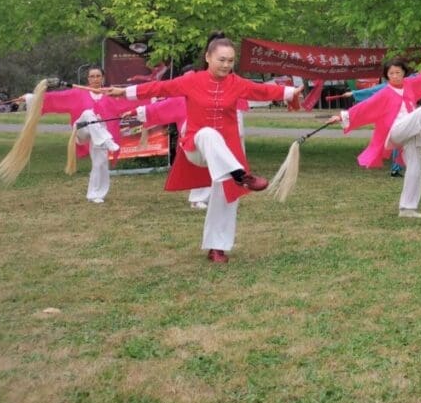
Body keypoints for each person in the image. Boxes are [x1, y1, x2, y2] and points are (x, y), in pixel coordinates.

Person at [104, 37, 299, 263]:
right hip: (196, 148)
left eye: (230, 61)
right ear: (208, 57)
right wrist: (124, 92)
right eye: (221, 60)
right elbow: (159, 87)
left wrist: (290, 93)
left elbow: (262, 91)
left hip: (226, 153)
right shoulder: (192, 81)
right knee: (208, 133)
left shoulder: (237, 83)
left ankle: (217, 248)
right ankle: (240, 175)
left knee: (225, 195)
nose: (226, 65)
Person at [325, 60, 421, 219]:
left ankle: (407, 208)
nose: (395, 76)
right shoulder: (384, 92)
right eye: (391, 73)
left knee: (415, 168)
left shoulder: (410, 83)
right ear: (387, 75)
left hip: (412, 131)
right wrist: (340, 117)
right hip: (396, 131)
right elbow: (365, 107)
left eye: (398, 72)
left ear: (403, 73)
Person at [15, 65, 133, 204]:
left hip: (99, 133)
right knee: (88, 113)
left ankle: (95, 194)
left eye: (98, 76)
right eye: (92, 76)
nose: (95, 79)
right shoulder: (78, 93)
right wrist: (30, 98)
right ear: (88, 78)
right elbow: (55, 98)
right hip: (82, 131)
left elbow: (132, 99)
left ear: (103, 78)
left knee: (100, 163)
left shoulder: (111, 94)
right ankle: (106, 140)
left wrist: (155, 98)